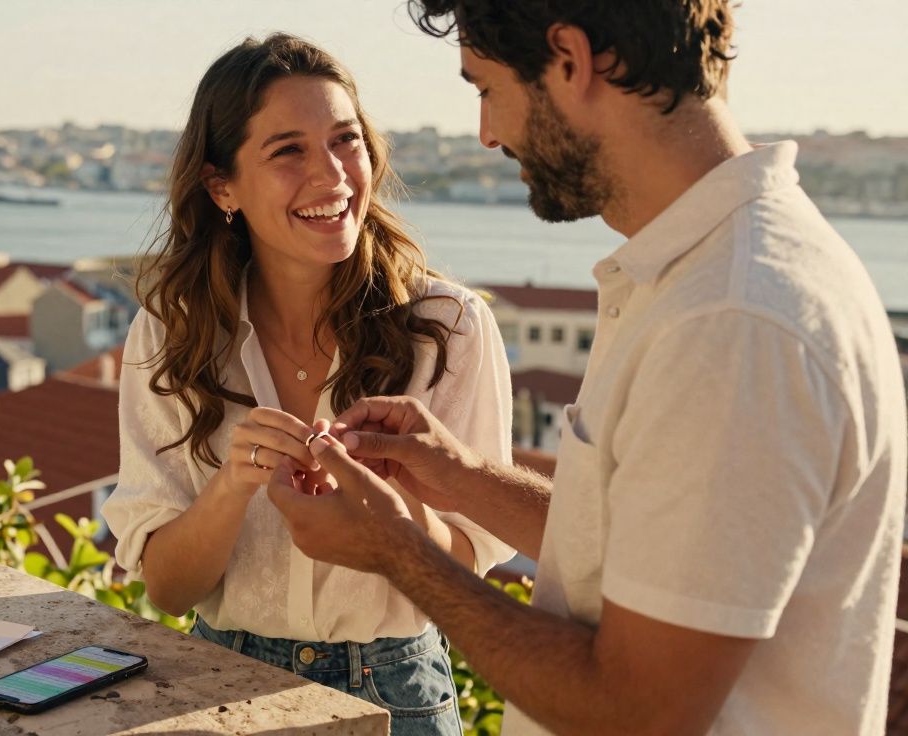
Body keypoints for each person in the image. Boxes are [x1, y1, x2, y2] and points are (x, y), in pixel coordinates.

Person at [266, 2, 907, 734]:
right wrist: (461, 473)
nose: (487, 133)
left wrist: (397, 552)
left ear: (570, 60)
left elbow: (637, 711)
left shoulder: (728, 319)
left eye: (486, 89)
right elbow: (645, 551)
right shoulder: (711, 274)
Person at [101, 33, 515, 734]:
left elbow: (470, 565)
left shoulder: (449, 327)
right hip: (222, 684)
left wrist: (394, 520)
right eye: (288, 150)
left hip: (398, 695)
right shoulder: (171, 334)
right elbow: (168, 590)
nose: (331, 174)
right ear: (222, 187)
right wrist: (232, 486)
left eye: (345, 140)